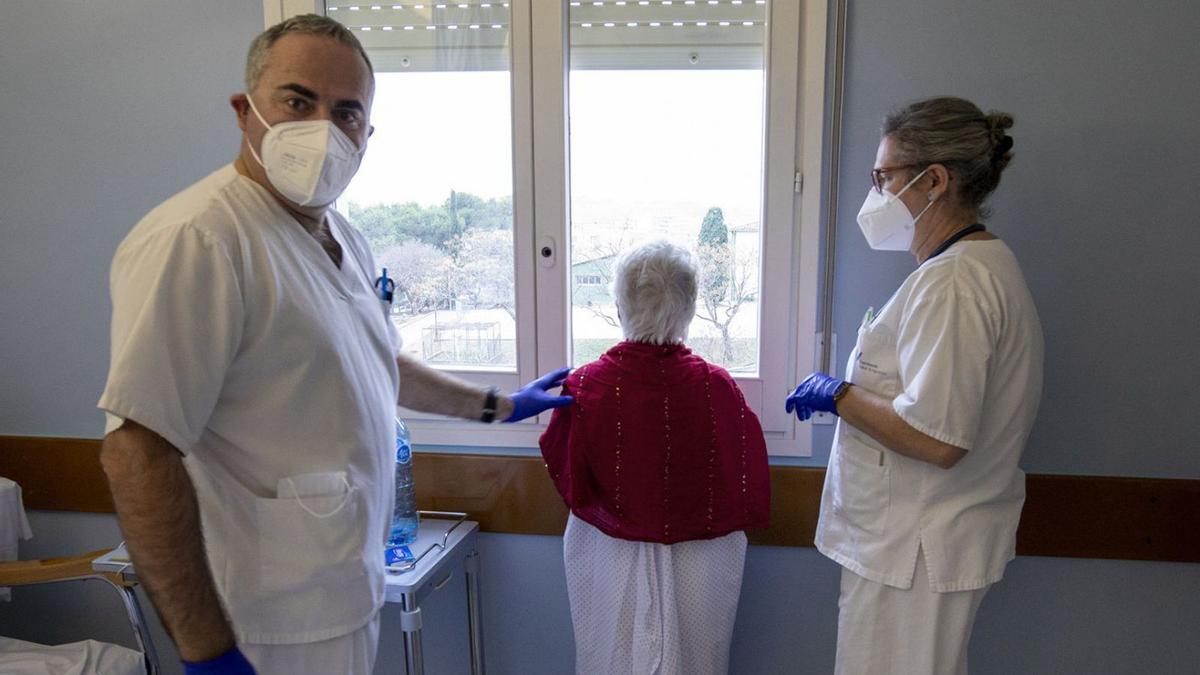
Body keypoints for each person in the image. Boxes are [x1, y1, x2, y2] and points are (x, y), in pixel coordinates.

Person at [97, 15, 570, 675]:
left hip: (338, 589)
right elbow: (136, 450)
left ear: (366, 136)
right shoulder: (201, 239)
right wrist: (207, 652)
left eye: (346, 112)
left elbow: (375, 362)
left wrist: (500, 405)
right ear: (245, 111)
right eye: (298, 101)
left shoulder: (343, 238)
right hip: (259, 620)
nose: (323, 128)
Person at [786, 96, 1044, 674]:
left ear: (934, 181)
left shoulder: (954, 284)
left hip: (916, 550)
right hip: (910, 546)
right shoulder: (966, 269)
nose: (875, 193)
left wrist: (840, 396)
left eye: (884, 177)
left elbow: (939, 439)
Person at [540, 241, 770, 675]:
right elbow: (743, 475)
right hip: (702, 552)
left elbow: (569, 476)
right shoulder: (717, 388)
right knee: (698, 663)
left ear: (621, 305)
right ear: (689, 307)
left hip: (608, 549)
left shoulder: (587, 385)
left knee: (609, 658)